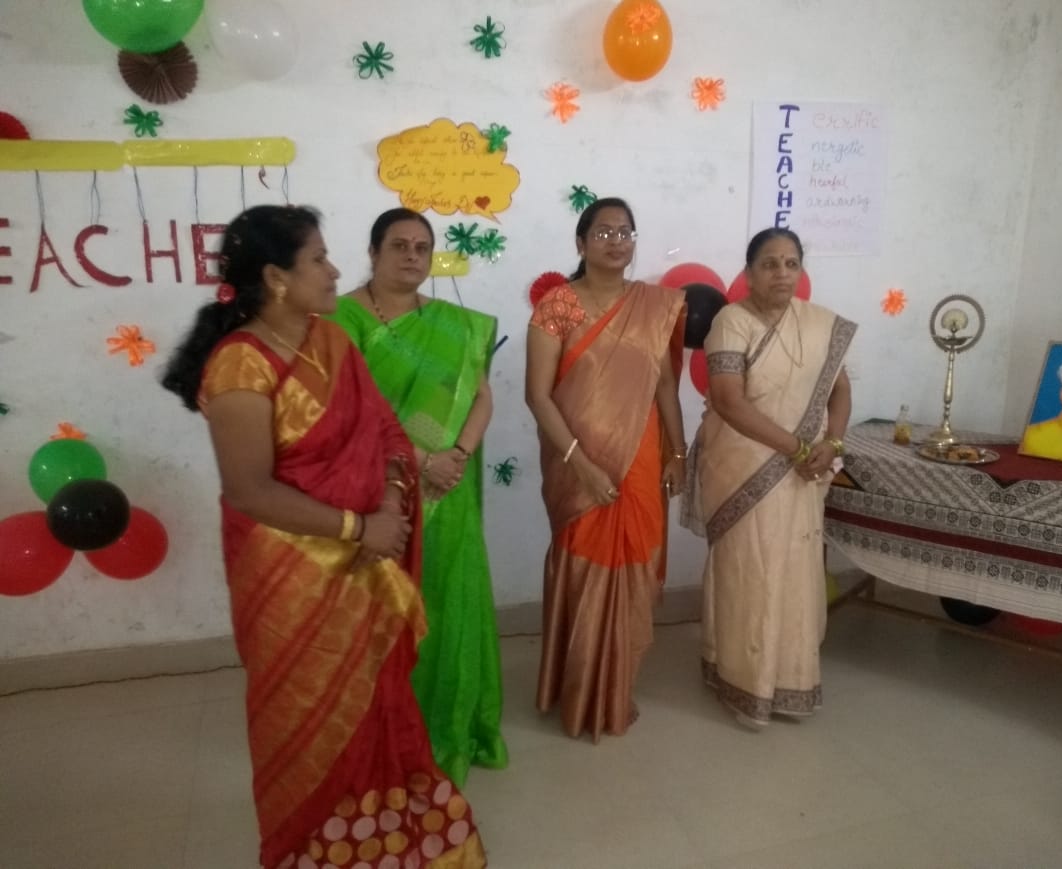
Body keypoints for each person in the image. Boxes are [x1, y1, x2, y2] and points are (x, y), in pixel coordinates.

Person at [161, 205, 486, 869]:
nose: (334, 271)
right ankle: (313, 847)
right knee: (307, 717)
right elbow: (250, 491)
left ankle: (384, 840)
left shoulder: (331, 343)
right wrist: (359, 527)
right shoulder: (239, 367)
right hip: (290, 579)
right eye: (318, 258)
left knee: (376, 707)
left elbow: (386, 432)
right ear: (276, 278)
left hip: (364, 565)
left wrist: (390, 505)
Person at [331, 207, 508, 786]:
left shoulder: (454, 325)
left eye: (422, 247)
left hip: (448, 490)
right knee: (384, 609)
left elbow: (481, 396)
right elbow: (350, 415)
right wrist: (423, 461)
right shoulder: (342, 320)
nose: (412, 256)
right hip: (379, 489)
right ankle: (382, 733)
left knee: (447, 602)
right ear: (374, 252)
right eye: (399, 245)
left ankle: (447, 726)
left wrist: (456, 454)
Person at [525, 197, 687, 740]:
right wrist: (583, 466)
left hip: (639, 460)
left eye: (625, 232)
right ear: (581, 242)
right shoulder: (558, 306)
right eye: (603, 232)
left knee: (635, 566)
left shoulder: (654, 305)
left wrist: (678, 452)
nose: (616, 241)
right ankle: (579, 689)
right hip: (577, 466)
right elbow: (537, 396)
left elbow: (665, 386)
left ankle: (617, 686)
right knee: (585, 565)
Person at [682, 227, 856, 730]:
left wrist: (833, 444)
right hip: (743, 467)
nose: (782, 273)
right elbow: (728, 401)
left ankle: (790, 679)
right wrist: (797, 448)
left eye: (791, 263)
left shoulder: (819, 324)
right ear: (749, 272)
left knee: (795, 572)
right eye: (769, 263)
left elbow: (840, 392)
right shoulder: (730, 322)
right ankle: (740, 681)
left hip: (802, 473)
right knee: (749, 572)